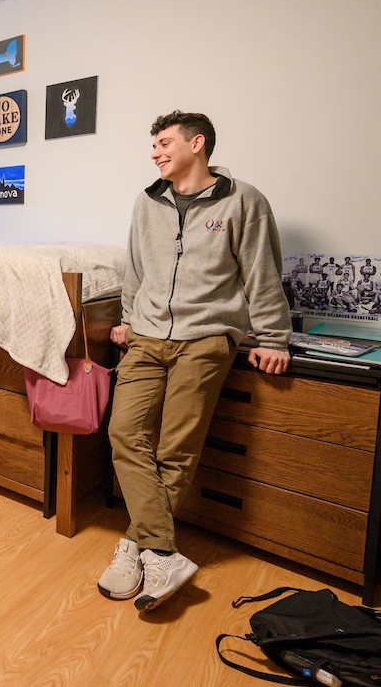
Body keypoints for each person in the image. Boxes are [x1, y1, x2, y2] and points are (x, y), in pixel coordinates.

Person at [97, 111, 291, 613]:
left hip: (204, 340)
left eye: (164, 143)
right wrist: (127, 318)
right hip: (146, 337)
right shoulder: (147, 201)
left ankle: (136, 545)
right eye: (154, 145)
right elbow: (135, 268)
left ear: (196, 143)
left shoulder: (243, 201)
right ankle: (162, 550)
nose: (156, 152)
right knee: (124, 433)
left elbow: (261, 273)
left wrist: (273, 337)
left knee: (175, 448)